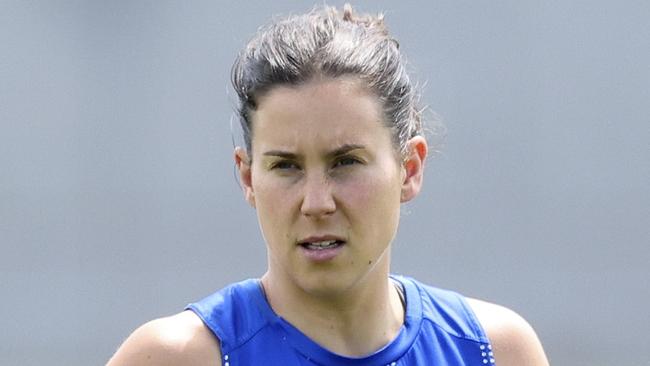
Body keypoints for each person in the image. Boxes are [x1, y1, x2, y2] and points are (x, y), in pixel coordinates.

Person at [107, 4, 549, 366]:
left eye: (345, 162)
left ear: (409, 168)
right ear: (247, 177)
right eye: (285, 166)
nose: (316, 203)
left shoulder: (493, 352)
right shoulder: (177, 357)